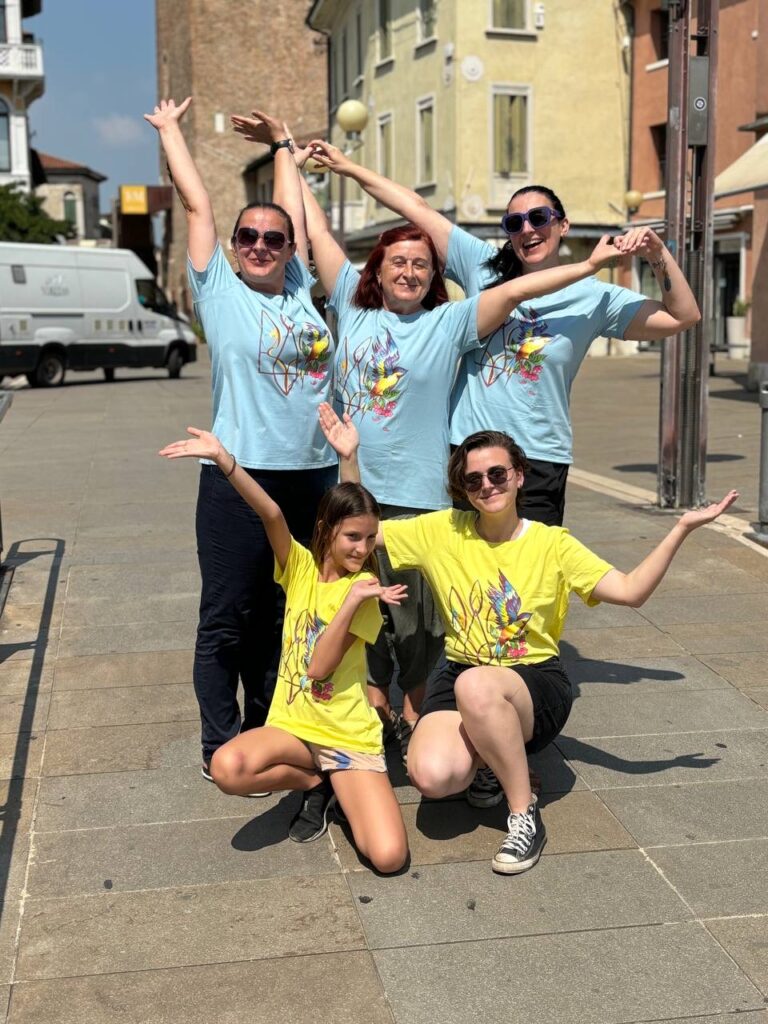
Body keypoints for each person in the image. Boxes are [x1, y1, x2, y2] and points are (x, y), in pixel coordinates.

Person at [234, 118, 619, 771]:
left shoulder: (450, 322)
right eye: (397, 262)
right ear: (377, 271)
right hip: (355, 497)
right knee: (354, 618)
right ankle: (367, 725)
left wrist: (587, 266)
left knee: (417, 632)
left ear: (432, 275)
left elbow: (516, 288)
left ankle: (417, 725)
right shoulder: (351, 307)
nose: (409, 270)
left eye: (420, 263)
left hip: (421, 504)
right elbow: (313, 230)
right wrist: (287, 155)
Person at [321, 407, 737, 875]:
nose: (487, 486)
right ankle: (487, 766)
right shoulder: (443, 531)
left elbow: (630, 590)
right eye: (473, 480)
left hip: (533, 682)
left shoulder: (551, 544)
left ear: (519, 476)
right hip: (461, 673)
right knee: (433, 776)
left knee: (477, 686)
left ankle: (523, 815)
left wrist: (681, 528)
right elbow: (365, 533)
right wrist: (349, 458)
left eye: (498, 474)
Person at [303, 147, 701, 528]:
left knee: (531, 567)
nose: (527, 229)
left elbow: (683, 316)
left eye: (539, 217)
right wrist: (347, 167)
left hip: (537, 455)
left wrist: (657, 254)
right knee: (464, 569)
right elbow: (416, 208)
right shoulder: (484, 266)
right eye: (514, 223)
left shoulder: (596, 297)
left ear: (563, 225)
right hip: (468, 451)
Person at [145, 99, 338, 787]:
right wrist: (171, 132)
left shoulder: (301, 287)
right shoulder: (220, 291)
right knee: (228, 615)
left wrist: (284, 145)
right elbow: (197, 206)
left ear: (289, 250)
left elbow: (289, 209)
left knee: (286, 614)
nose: (261, 244)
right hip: (238, 476)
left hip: (312, 477)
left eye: (273, 239)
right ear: (233, 246)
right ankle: (219, 744)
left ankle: (266, 727)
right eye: (248, 236)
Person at [158, 423, 409, 873]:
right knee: (227, 767)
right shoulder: (299, 567)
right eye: (353, 537)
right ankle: (316, 783)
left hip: (346, 735)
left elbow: (319, 668)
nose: (362, 547)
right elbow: (272, 512)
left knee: (388, 857)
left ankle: (340, 782)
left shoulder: (365, 592)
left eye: (370, 539)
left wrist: (352, 600)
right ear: (326, 531)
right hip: (295, 728)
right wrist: (224, 460)